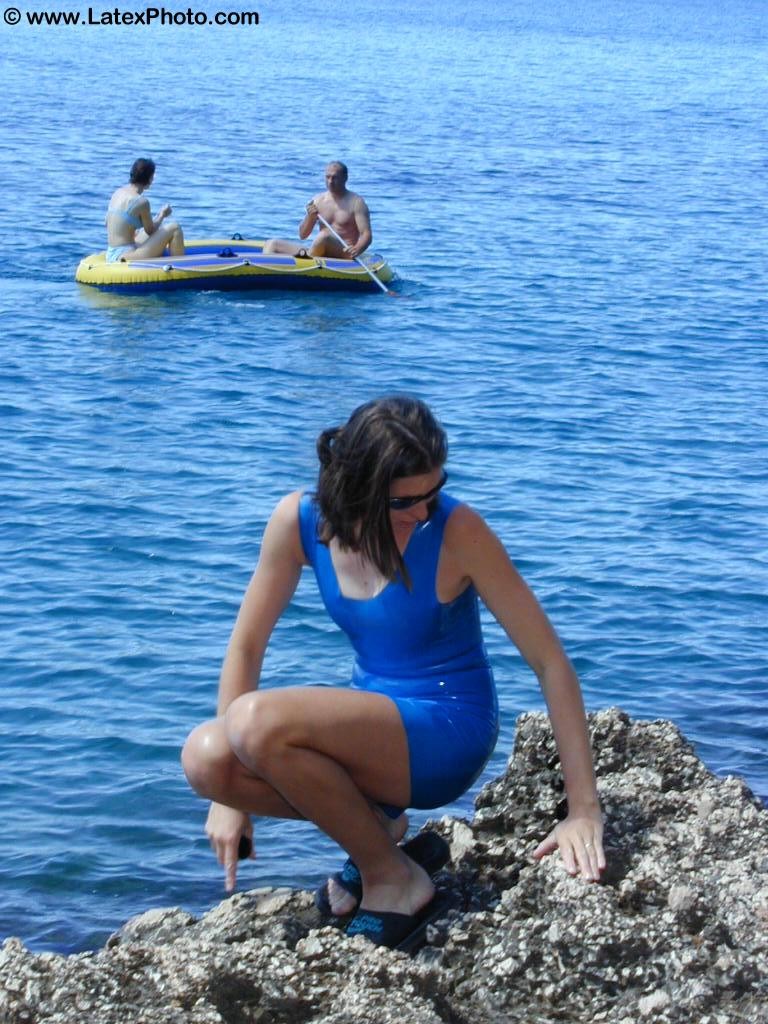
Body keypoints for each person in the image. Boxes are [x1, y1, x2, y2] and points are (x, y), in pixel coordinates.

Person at [182, 396, 605, 951]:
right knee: (207, 759)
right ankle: (377, 832)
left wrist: (583, 811)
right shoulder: (300, 522)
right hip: (372, 732)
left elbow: (551, 662)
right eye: (406, 500)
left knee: (254, 721)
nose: (425, 511)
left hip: (448, 730)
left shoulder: (457, 530)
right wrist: (230, 801)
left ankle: (392, 877)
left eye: (435, 491)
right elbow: (246, 645)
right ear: (358, 487)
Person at [262, 161, 372, 260]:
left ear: (345, 178)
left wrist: (358, 248)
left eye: (335, 178)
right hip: (319, 251)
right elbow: (302, 235)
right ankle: (268, 271)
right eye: (327, 177)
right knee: (272, 244)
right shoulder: (318, 200)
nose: (330, 181)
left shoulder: (356, 203)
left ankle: (303, 261)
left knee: (325, 236)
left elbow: (366, 234)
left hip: (343, 253)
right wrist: (310, 217)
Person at [105, 158, 185, 263]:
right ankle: (179, 267)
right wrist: (162, 215)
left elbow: (107, 222)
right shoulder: (141, 201)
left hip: (112, 252)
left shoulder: (117, 192)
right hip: (124, 255)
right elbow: (150, 231)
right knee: (175, 227)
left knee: (141, 232)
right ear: (150, 179)